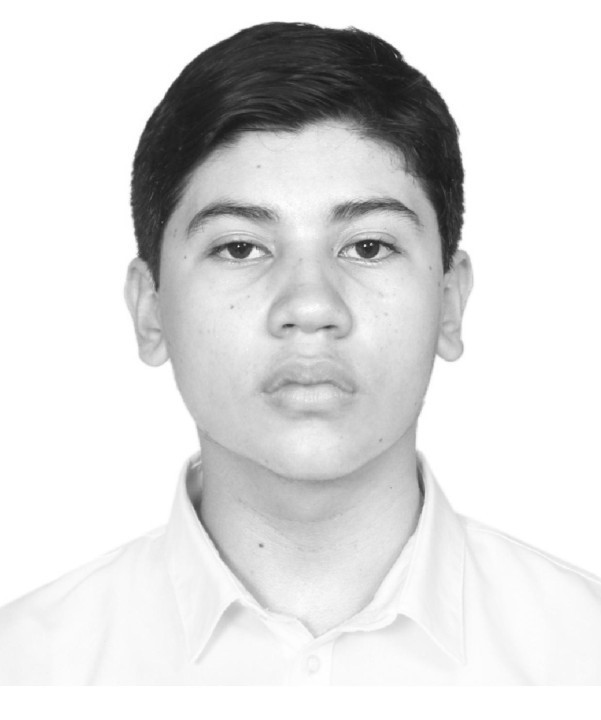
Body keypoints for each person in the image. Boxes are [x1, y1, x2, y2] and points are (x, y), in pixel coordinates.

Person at [0, 20, 599, 686]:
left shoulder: (582, 655)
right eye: (239, 248)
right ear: (150, 310)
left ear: (449, 302)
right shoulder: (25, 669)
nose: (310, 306)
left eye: (368, 247)